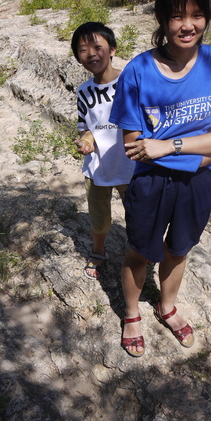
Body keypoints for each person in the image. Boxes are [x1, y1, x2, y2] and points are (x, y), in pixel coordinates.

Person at [109, 0, 211, 357]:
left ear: (207, 17)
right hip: (150, 182)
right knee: (140, 251)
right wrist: (201, 149)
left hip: (198, 181)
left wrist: (170, 146)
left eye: (197, 15)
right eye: (177, 16)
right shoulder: (138, 70)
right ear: (162, 19)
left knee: (179, 249)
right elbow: (135, 147)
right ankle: (132, 312)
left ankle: (166, 306)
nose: (188, 25)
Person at [72, 22, 135, 280]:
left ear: (112, 50)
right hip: (97, 167)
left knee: (137, 216)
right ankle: (99, 251)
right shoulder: (84, 91)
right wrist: (86, 142)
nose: (91, 54)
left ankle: (135, 256)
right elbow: (85, 127)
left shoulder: (131, 82)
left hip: (132, 166)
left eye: (98, 46)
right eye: (83, 49)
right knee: (98, 216)